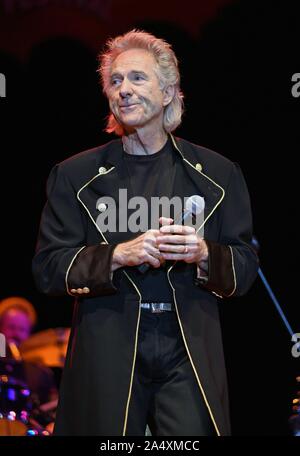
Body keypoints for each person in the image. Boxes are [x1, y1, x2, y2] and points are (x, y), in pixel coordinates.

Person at [32, 29, 259, 436]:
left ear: (169, 92)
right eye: (115, 81)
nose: (124, 90)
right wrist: (119, 254)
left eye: (138, 78)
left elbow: (244, 267)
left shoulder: (217, 175)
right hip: (108, 349)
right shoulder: (75, 175)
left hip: (187, 349)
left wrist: (203, 252)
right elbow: (49, 268)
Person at [0, 296, 57, 407]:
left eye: (22, 329)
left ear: (29, 333)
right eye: (11, 327)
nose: (16, 334)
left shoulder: (41, 373)